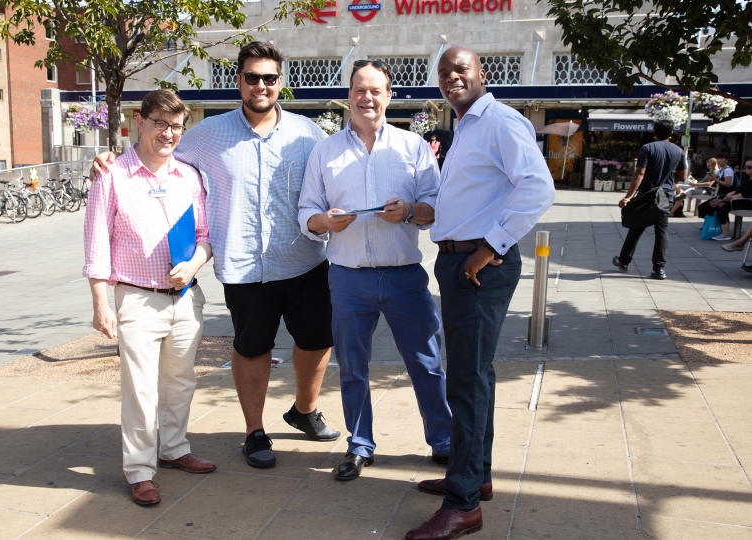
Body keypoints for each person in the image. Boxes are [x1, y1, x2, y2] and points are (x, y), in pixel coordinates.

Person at [92, 42, 340, 470]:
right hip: (243, 266)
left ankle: (303, 410)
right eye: (251, 77)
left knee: (318, 340)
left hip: (304, 260)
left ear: (280, 83)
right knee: (252, 346)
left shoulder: (308, 133)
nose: (260, 85)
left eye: (269, 78)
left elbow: (331, 181)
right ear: (238, 81)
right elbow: (158, 158)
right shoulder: (206, 135)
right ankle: (254, 432)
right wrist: (111, 160)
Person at [406, 47, 555, 540]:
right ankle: (476, 476)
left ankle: (463, 504)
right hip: (458, 261)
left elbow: (537, 187)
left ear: (481, 74)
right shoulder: (467, 125)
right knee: (474, 377)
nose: (452, 78)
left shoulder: (500, 121)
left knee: (466, 384)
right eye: (445, 73)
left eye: (461, 70)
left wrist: (490, 247)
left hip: (477, 266)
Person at [298, 60, 451, 482]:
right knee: (352, 368)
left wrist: (409, 212)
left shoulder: (413, 147)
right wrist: (324, 222)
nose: (367, 98)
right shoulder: (325, 150)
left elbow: (436, 207)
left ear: (389, 96)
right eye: (360, 90)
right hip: (347, 278)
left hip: (403, 275)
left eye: (376, 90)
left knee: (427, 361)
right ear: (349, 95)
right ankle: (360, 445)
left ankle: (444, 441)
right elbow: (306, 211)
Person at [83, 89, 216, 506]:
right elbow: (96, 243)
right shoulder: (112, 175)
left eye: (176, 126)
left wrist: (193, 265)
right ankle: (140, 470)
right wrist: (100, 303)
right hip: (137, 299)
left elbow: (204, 237)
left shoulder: (189, 177)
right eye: (160, 123)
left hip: (185, 297)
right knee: (140, 389)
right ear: (140, 121)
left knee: (180, 382)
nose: (168, 133)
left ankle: (174, 448)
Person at [613, 121, 688, 280]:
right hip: (666, 196)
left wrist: (628, 196)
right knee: (661, 231)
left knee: (636, 226)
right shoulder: (679, 151)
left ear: (654, 133)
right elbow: (682, 176)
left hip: (647, 194)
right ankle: (659, 269)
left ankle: (624, 260)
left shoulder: (647, 148)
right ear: (671, 133)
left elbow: (639, 173)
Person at [699, 152, 741, 241]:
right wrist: (711, 169)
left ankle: (721, 229)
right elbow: (711, 180)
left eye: (722, 159)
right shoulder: (721, 170)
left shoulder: (728, 170)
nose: (719, 160)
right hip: (721, 194)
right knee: (703, 207)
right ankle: (710, 224)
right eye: (718, 159)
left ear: (726, 160)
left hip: (727, 195)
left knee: (714, 207)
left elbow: (727, 184)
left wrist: (716, 179)